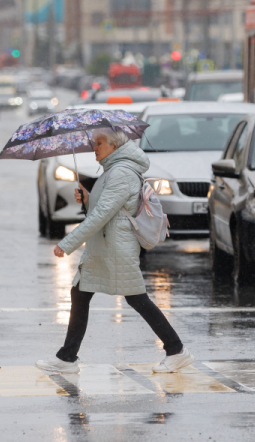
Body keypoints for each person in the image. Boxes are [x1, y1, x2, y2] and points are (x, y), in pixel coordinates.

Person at [37, 128, 193, 375]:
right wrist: (87, 199)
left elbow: (102, 216)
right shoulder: (111, 170)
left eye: (99, 143)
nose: (94, 148)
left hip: (116, 248)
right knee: (80, 293)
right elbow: (106, 209)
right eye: (94, 143)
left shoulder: (120, 172)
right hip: (106, 246)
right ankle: (67, 358)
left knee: (136, 298)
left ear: (114, 145)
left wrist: (67, 243)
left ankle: (177, 350)